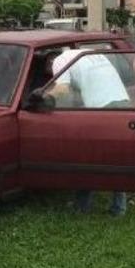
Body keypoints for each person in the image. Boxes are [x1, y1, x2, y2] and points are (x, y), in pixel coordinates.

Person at [47, 49, 129, 216]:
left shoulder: (59, 61)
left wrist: (41, 95)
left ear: (49, 62)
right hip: (123, 102)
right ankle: (117, 206)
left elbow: (62, 89)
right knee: (116, 158)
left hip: (102, 108)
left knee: (87, 158)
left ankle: (82, 206)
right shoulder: (88, 53)